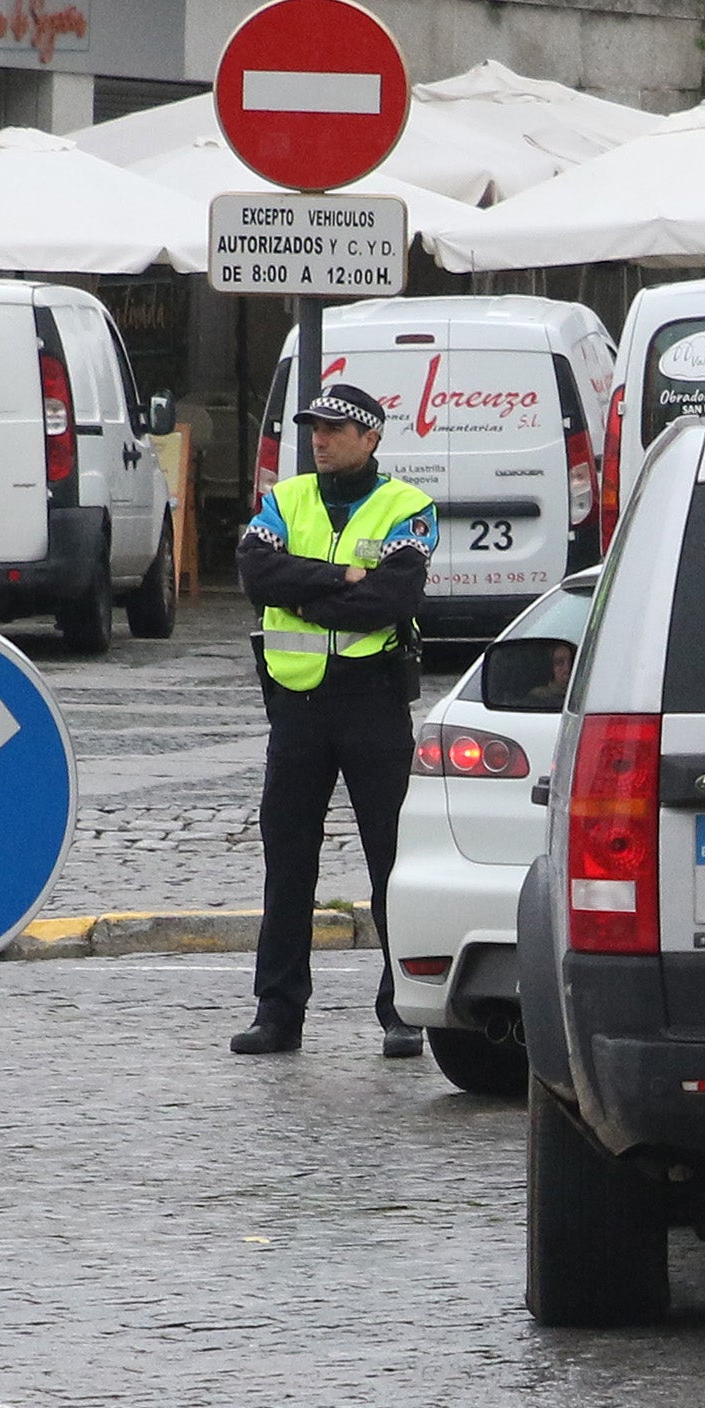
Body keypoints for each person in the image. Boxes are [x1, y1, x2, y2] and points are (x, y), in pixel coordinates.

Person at [229, 383, 436, 1058]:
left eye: (334, 429)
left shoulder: (409, 507)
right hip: (297, 708)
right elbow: (258, 576)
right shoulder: (284, 500)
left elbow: (387, 600)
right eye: (314, 428)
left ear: (370, 438)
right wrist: (339, 577)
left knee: (391, 861)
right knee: (287, 862)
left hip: (372, 702)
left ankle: (402, 1008)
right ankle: (277, 1014)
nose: (319, 439)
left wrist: (310, 591)